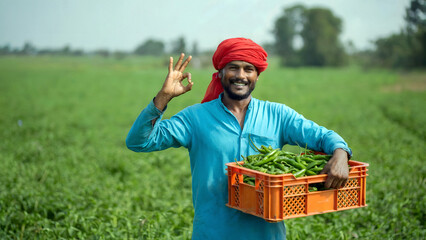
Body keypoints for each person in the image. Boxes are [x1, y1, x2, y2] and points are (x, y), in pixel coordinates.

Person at [126, 37, 352, 240]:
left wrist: (341, 153)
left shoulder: (278, 115)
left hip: (266, 235)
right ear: (221, 73)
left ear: (257, 75)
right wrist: (164, 97)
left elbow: (322, 136)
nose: (241, 75)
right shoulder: (195, 117)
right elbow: (139, 142)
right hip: (212, 234)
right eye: (233, 68)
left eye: (248, 69)